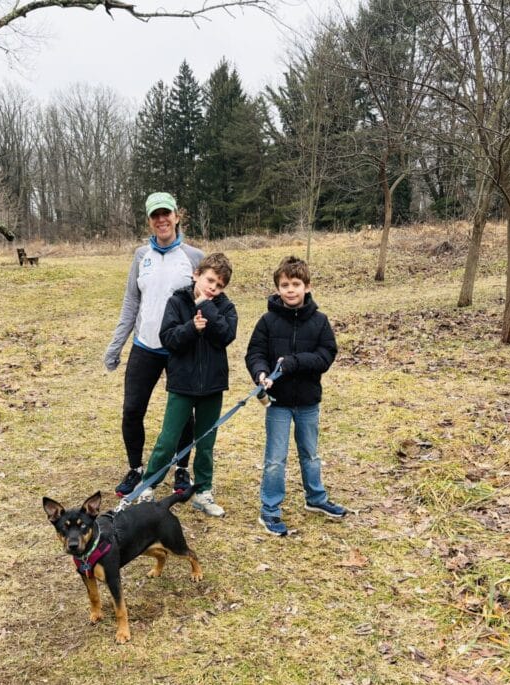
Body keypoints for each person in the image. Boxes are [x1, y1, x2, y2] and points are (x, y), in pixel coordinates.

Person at [104, 192, 202, 498]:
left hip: (180, 348)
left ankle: (182, 468)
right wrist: (116, 345)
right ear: (149, 220)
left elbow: (206, 300)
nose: (161, 220)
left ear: (176, 216)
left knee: (184, 413)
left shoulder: (195, 257)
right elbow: (131, 302)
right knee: (132, 410)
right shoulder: (139, 256)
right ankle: (135, 469)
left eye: (166, 213)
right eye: (155, 215)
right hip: (145, 347)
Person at [245, 256, 347, 536]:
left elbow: (326, 355)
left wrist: (294, 362)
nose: (290, 289)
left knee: (310, 454)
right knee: (275, 458)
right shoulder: (267, 321)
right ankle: (270, 510)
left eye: (296, 284)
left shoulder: (320, 321)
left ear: (307, 286)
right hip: (278, 403)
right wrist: (261, 373)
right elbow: (254, 353)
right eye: (284, 285)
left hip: (308, 403)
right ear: (278, 288)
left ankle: (316, 499)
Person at [138, 253, 237, 517]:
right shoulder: (177, 301)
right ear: (197, 274)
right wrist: (192, 328)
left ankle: (203, 491)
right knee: (168, 440)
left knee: (205, 442)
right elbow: (168, 338)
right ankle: (148, 485)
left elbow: (227, 335)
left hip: (213, 387)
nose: (213, 287)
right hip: (182, 385)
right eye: (210, 280)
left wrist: (208, 307)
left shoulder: (224, 307)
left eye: (219, 285)